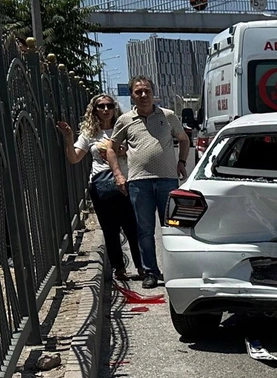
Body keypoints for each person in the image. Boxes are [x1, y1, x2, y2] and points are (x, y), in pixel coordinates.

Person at [107, 76, 190, 289]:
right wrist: (118, 174)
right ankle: (150, 272)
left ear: (153, 93)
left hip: (167, 181)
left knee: (173, 228)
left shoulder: (168, 116)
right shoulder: (125, 120)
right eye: (138, 92)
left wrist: (181, 161)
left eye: (147, 91)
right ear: (132, 95)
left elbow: (183, 139)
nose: (143, 95)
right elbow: (111, 148)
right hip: (139, 183)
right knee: (144, 230)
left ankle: (176, 270)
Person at [58, 94, 143, 281]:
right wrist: (69, 138)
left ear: (114, 108)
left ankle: (142, 267)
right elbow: (74, 158)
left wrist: (125, 151)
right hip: (101, 185)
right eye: (101, 106)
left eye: (109, 106)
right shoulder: (90, 133)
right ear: (94, 110)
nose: (106, 110)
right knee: (110, 228)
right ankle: (119, 268)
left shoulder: (126, 128)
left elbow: (141, 152)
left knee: (133, 227)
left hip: (126, 181)